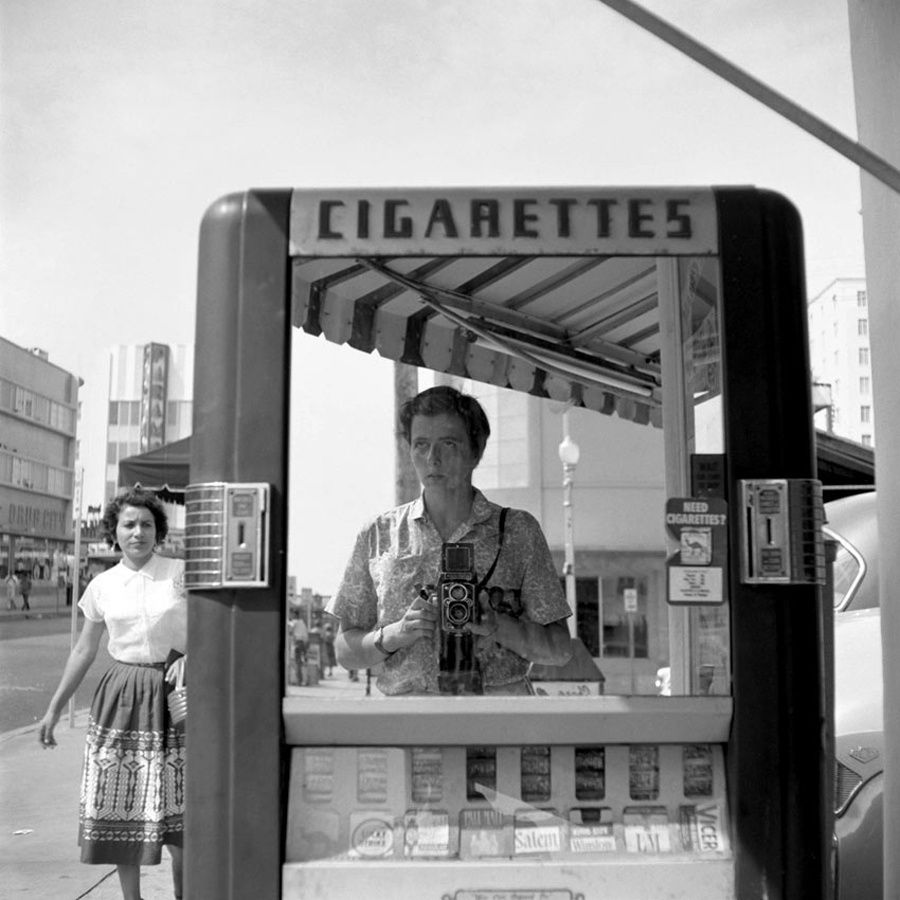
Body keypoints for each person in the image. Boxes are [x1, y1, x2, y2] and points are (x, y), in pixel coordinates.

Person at [328, 385, 572, 695]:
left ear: (476, 451)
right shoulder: (379, 535)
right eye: (420, 444)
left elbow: (560, 650)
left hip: (499, 720)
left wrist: (497, 626)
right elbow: (344, 650)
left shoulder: (517, 531)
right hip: (412, 724)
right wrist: (394, 634)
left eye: (448, 443)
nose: (433, 458)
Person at [37, 487, 186, 900]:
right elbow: (84, 649)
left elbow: (211, 630)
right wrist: (54, 709)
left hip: (176, 694)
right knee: (126, 804)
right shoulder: (102, 584)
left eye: (147, 525)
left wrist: (192, 657)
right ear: (114, 531)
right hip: (121, 698)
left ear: (159, 532)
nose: (138, 532)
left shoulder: (179, 574)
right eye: (129, 524)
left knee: (181, 814)